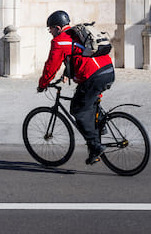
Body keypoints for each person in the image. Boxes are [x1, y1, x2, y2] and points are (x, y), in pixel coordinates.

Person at [37, 10, 115, 164]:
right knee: (88, 102)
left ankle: (95, 146)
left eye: (50, 29)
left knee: (77, 109)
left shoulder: (59, 41)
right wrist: (67, 73)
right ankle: (100, 126)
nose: (50, 32)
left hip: (94, 77)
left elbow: (51, 66)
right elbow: (77, 54)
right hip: (108, 71)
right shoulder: (75, 34)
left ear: (58, 28)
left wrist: (43, 84)